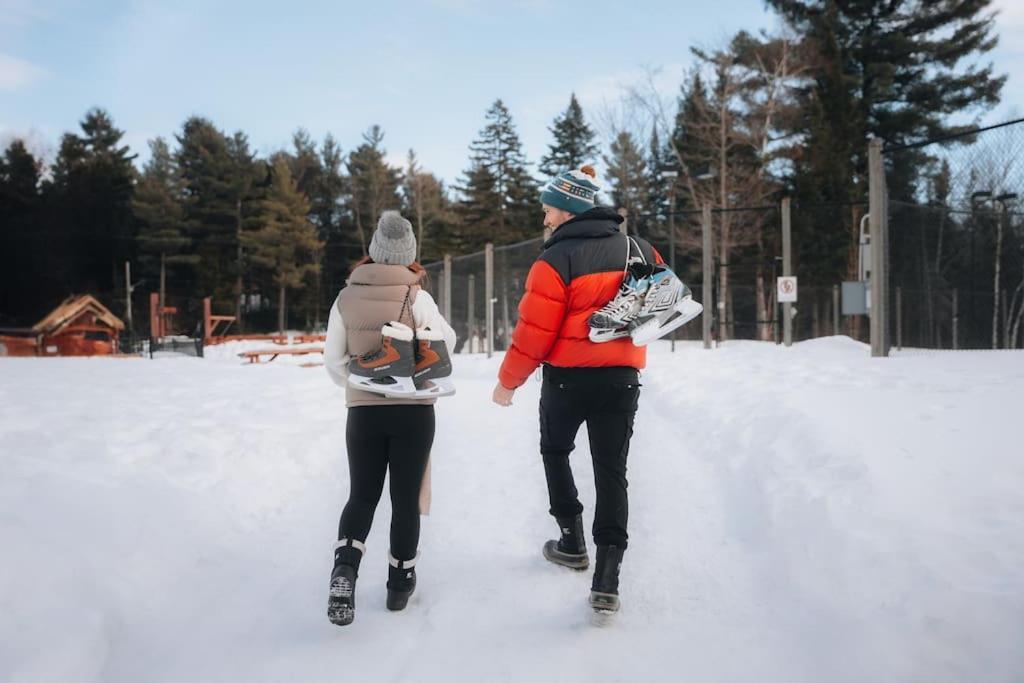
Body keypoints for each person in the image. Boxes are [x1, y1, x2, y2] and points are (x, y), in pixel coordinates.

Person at [492, 165, 661, 613]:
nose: (544, 215)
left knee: (555, 451)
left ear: (566, 210)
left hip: (567, 379)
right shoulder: (638, 248)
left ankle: (571, 541)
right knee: (611, 471)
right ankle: (607, 579)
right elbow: (660, 304)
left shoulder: (555, 259)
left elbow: (534, 332)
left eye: (549, 207)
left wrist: (508, 381)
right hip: (621, 378)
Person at [324, 210, 456, 627]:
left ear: (374, 250)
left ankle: (345, 566)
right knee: (404, 500)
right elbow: (446, 344)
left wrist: (362, 380)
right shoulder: (417, 296)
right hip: (414, 412)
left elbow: (332, 361)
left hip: (363, 410)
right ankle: (400, 585)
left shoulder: (345, 297)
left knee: (362, 495)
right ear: (409, 254)